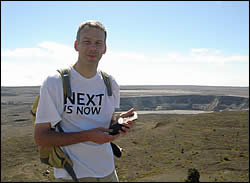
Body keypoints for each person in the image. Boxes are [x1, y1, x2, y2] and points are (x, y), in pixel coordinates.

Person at [34, 20, 135, 182]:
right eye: (87, 42)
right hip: (72, 175)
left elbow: (106, 125)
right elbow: (41, 137)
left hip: (108, 171)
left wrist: (119, 124)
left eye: (98, 43)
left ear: (105, 48)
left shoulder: (111, 83)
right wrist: (88, 136)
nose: (93, 48)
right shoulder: (55, 82)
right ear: (76, 45)